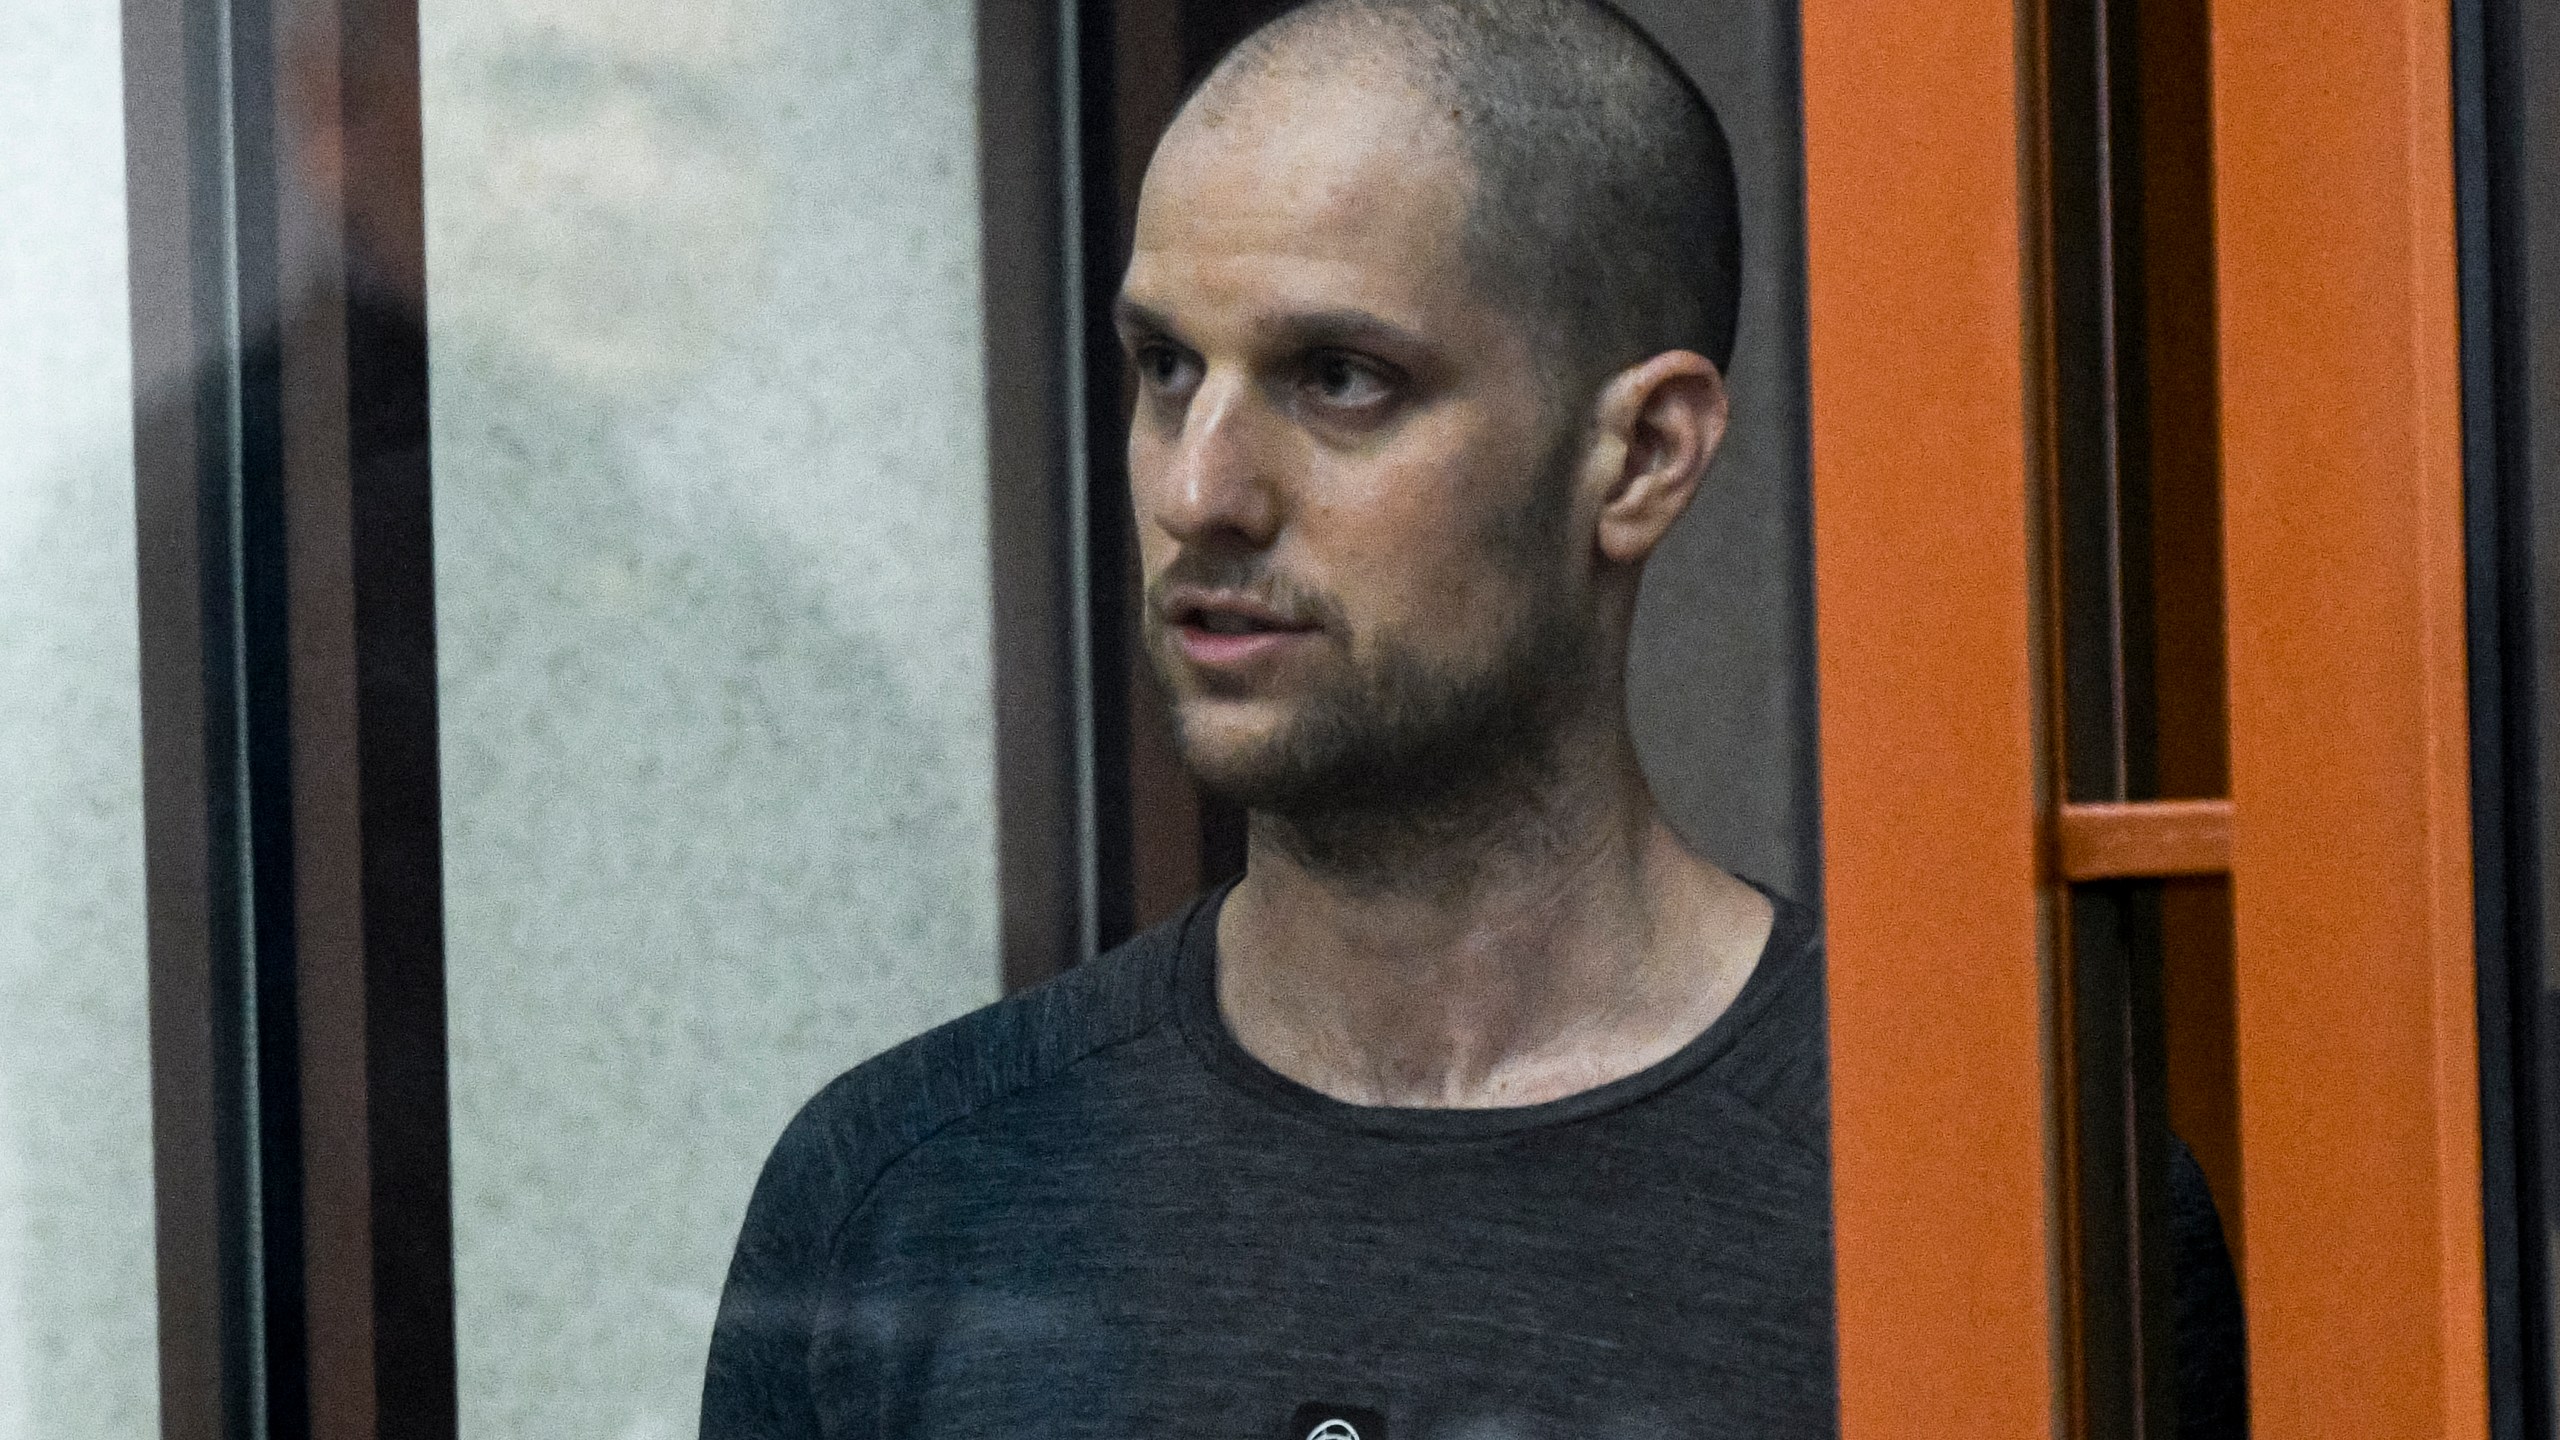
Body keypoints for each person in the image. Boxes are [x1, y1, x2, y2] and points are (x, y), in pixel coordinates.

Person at [699, 2, 2244, 1435]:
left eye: (1341, 379)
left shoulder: (1990, 1197)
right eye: (1166, 367)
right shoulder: (908, 1196)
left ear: (1640, 456)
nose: (1198, 491)